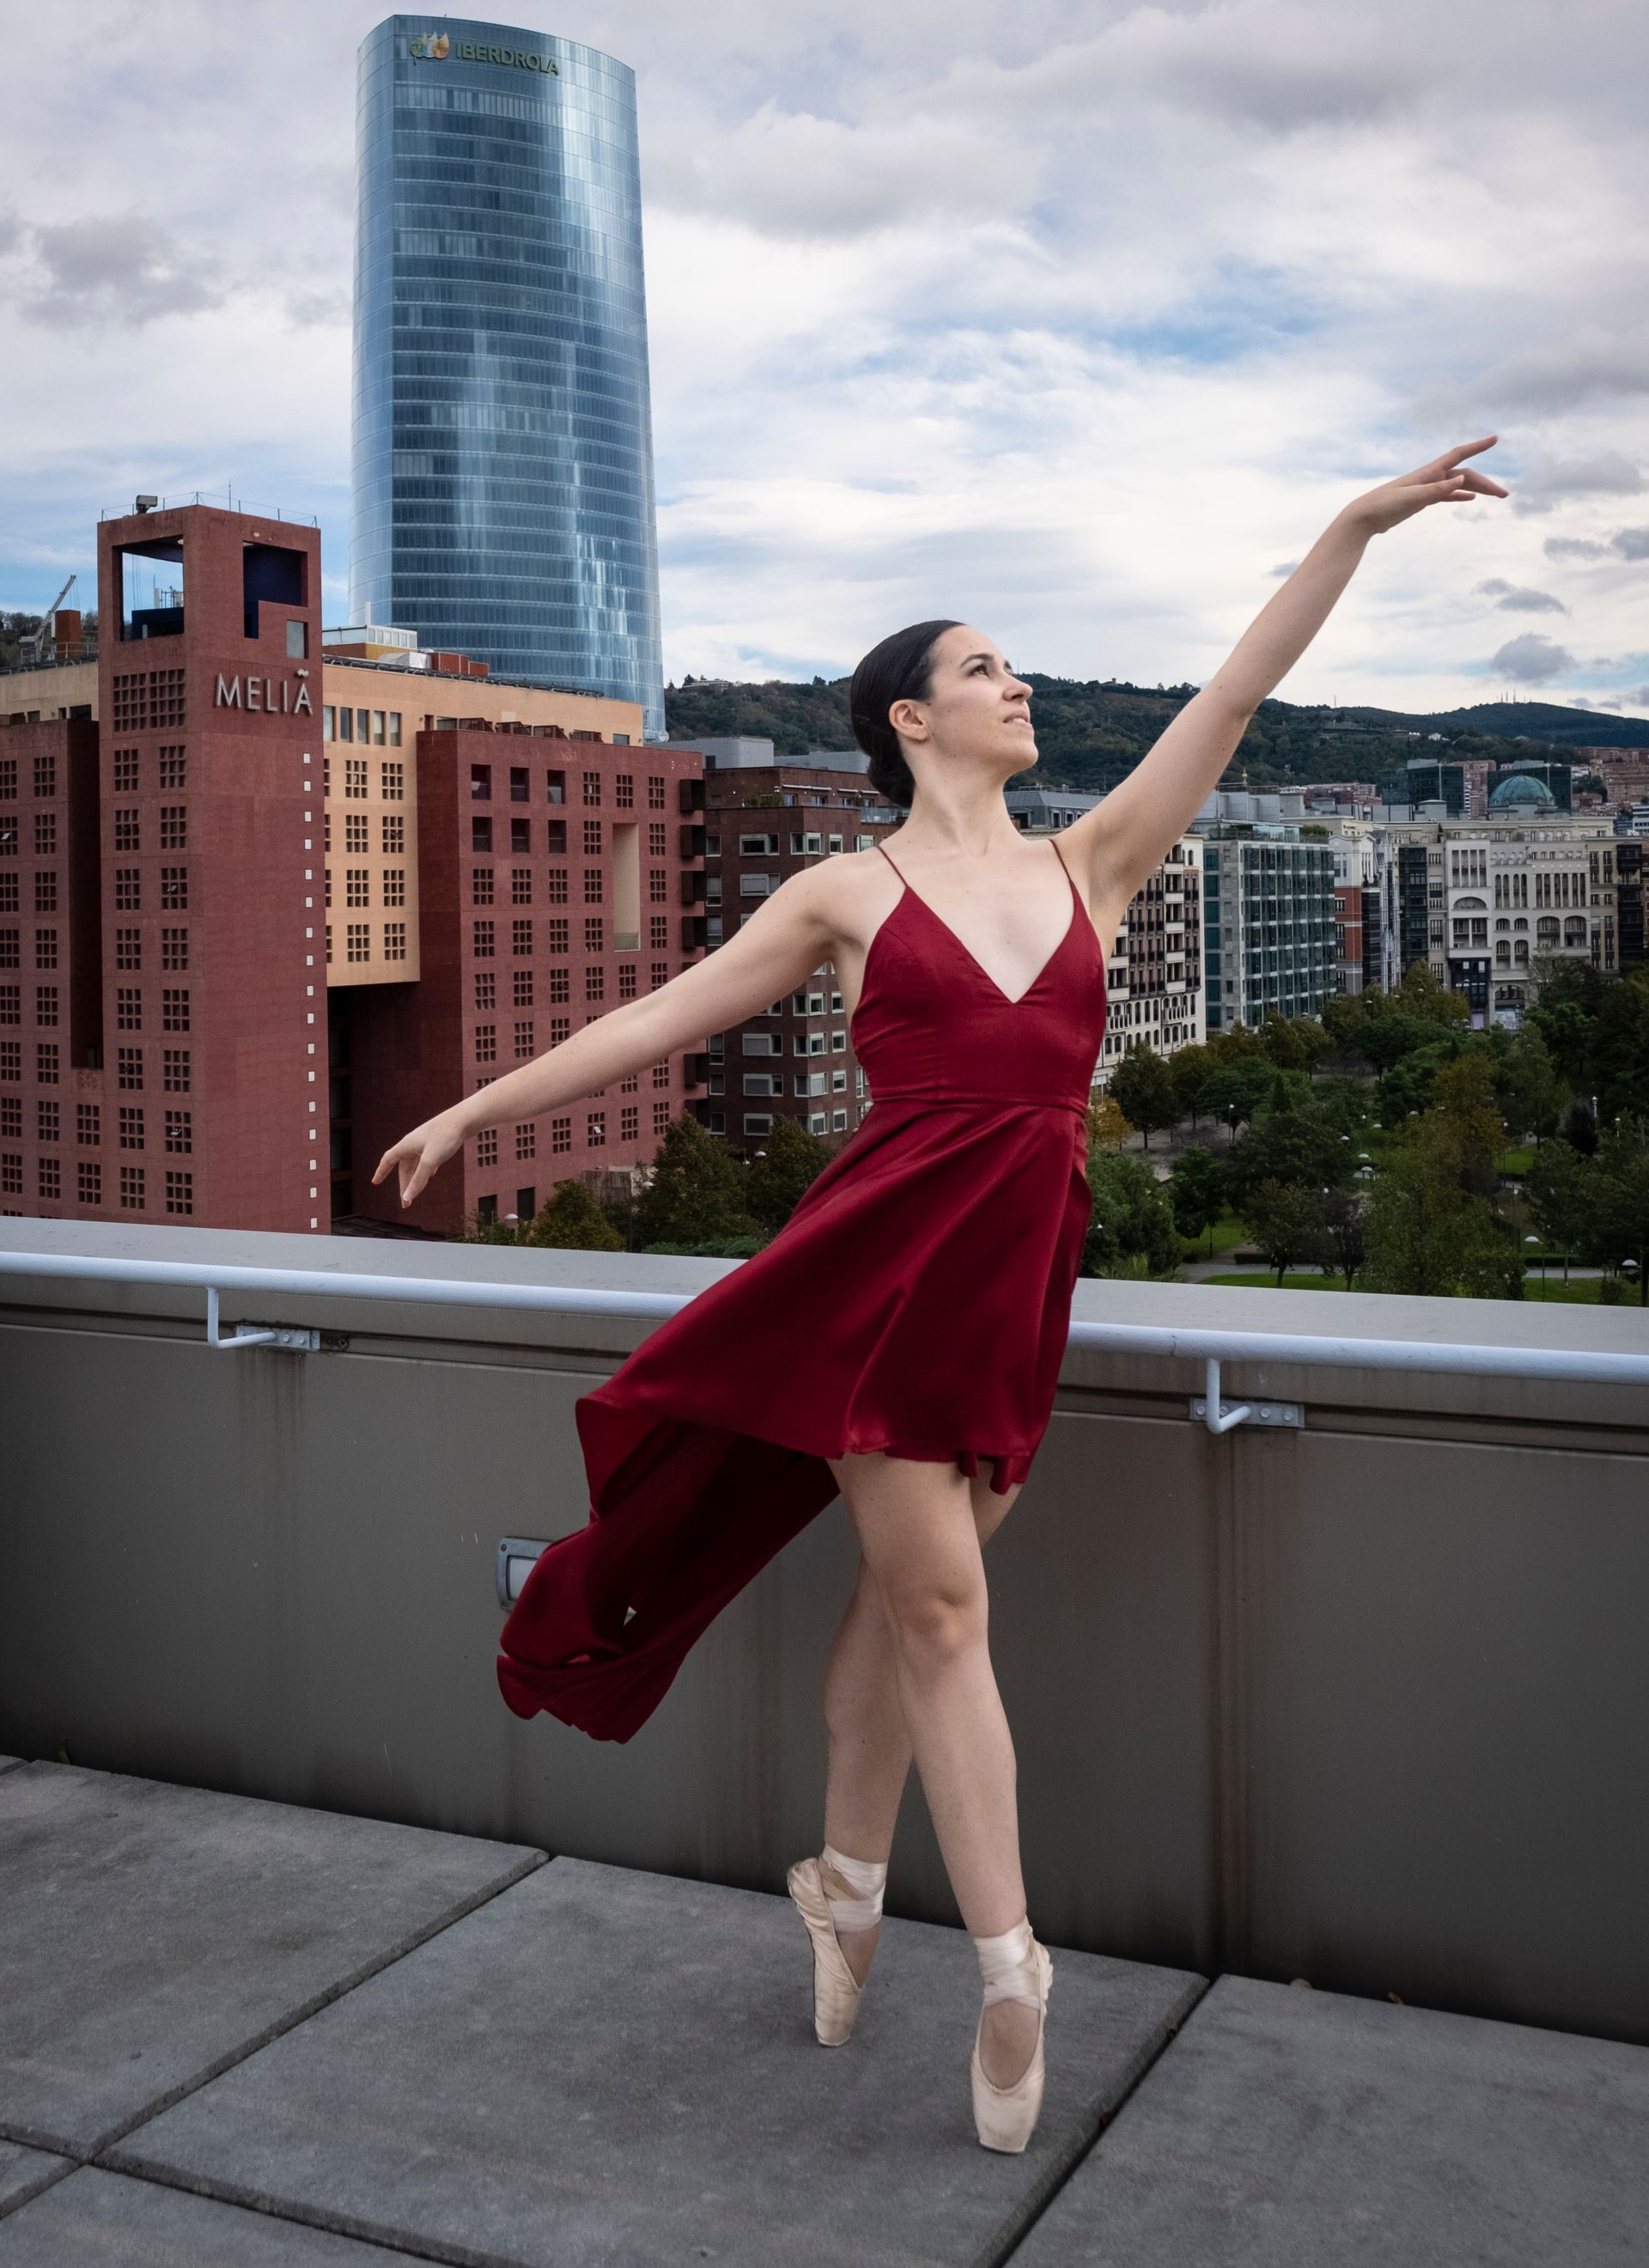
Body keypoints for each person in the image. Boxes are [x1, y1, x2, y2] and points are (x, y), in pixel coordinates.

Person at [374, 436, 1506, 2149]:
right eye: (985, 667)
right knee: (947, 1618)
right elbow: (661, 1018)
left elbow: (1241, 688)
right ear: (909, 716)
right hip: (878, 1275)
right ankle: (1006, 1963)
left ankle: (841, 1882)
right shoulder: (851, 887)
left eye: (1014, 666)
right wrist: (470, 1107)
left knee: (905, 1614)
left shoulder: (1096, 866)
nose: (1017, 683)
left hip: (1013, 1279)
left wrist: (1349, 526)